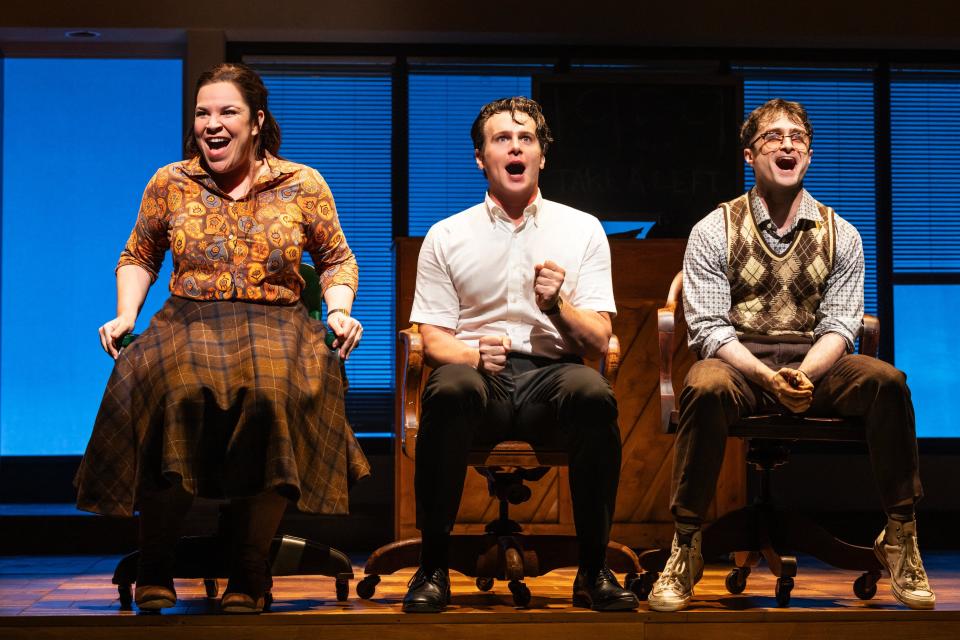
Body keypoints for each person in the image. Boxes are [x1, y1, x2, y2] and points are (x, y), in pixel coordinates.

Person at [75, 62, 370, 614]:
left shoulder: (302, 183)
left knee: (272, 396)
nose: (212, 124)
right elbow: (139, 254)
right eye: (202, 113)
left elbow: (337, 259)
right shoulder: (171, 181)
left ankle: (250, 570)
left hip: (277, 321)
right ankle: (156, 563)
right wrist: (123, 314)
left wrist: (338, 311)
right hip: (190, 318)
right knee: (172, 393)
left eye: (227, 112)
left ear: (256, 121)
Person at [648, 98, 935, 612]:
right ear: (749, 155)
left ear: (809, 153)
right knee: (705, 383)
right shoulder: (715, 229)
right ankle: (687, 542)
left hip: (815, 361)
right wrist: (767, 377)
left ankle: (900, 536)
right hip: (741, 359)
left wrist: (801, 376)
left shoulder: (840, 233)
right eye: (773, 137)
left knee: (887, 381)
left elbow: (842, 326)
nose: (787, 144)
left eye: (798, 136)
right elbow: (710, 330)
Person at [402, 96, 638, 613]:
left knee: (593, 392)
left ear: (542, 156)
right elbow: (429, 335)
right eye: (501, 139)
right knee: (448, 387)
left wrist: (558, 305)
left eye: (526, 138)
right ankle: (433, 568)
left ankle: (593, 571)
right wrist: (467, 354)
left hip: (550, 379)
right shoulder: (446, 235)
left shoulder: (582, 229)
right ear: (481, 158)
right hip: (478, 382)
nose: (515, 147)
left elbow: (599, 340)